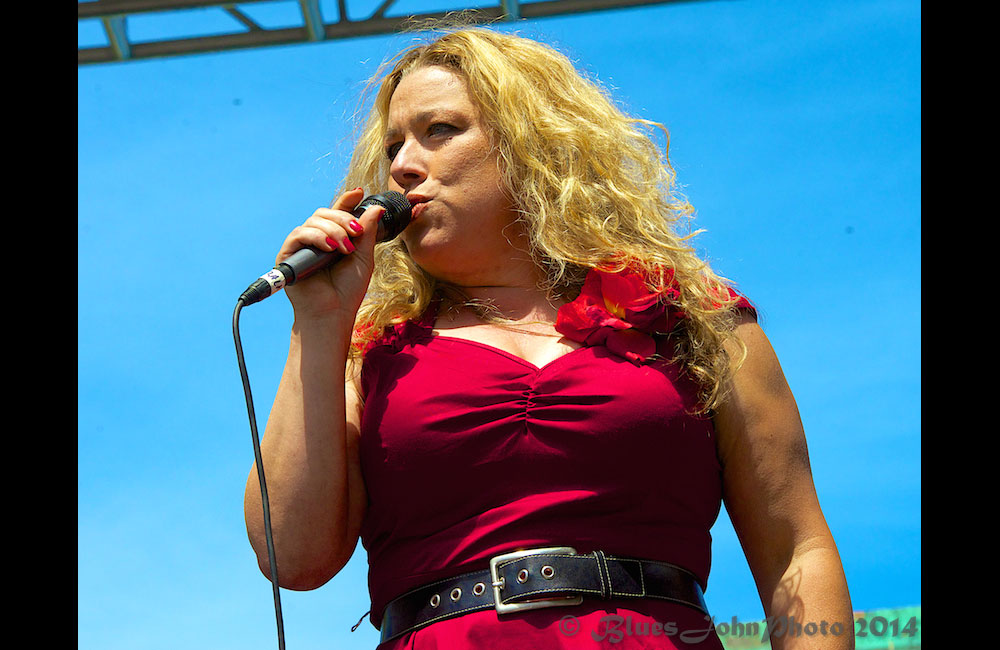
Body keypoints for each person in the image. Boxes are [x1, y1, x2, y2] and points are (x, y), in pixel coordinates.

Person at [244, 26, 854, 649]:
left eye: (439, 131)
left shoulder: (696, 317)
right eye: (395, 144)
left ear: (531, 141)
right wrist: (316, 324)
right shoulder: (368, 351)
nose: (401, 165)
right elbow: (292, 557)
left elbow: (795, 549)